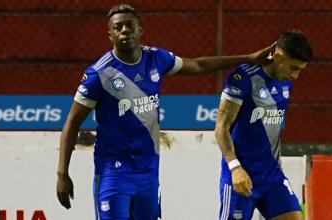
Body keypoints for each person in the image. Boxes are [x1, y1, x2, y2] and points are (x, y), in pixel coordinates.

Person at [56, 4, 274, 220]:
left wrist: (248, 57)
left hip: (148, 171)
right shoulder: (99, 74)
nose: (124, 31)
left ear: (140, 30)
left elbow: (198, 65)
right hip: (114, 172)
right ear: (110, 35)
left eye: (129, 26)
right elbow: (72, 122)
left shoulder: (156, 59)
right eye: (118, 27)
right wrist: (62, 174)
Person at [214, 29, 312, 220]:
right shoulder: (243, 78)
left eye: (300, 70)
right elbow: (221, 128)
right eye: (293, 68)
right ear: (277, 56)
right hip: (240, 178)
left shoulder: (286, 82)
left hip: (272, 176)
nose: (296, 76)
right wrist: (235, 168)